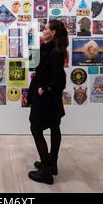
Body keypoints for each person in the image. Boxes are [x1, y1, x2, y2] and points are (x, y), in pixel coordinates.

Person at [27, 20, 68, 185]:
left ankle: (46, 171)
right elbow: (39, 67)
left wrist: (45, 88)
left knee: (36, 128)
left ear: (54, 33)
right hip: (49, 98)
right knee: (54, 126)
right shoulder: (50, 48)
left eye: (45, 29)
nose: (43, 31)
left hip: (45, 97)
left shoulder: (55, 52)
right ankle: (51, 163)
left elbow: (59, 79)